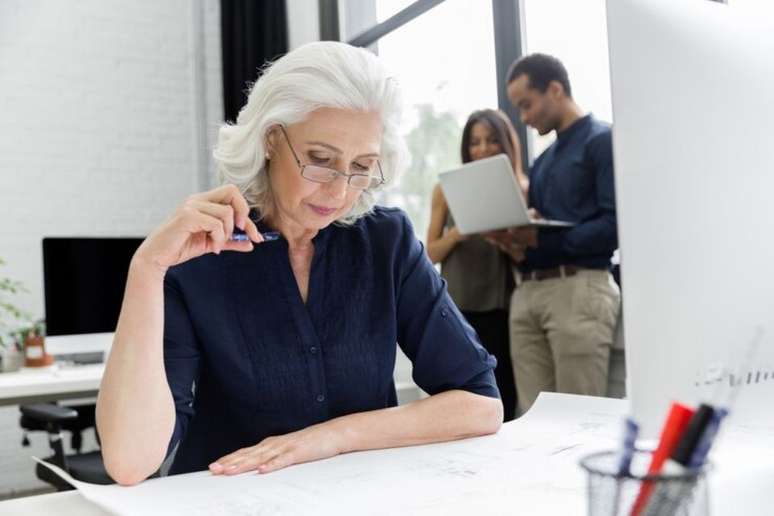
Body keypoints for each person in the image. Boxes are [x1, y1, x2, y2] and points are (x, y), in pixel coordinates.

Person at [95, 41, 503, 486]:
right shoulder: (199, 255)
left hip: (358, 498)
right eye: (321, 161)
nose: (340, 190)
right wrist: (147, 268)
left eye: (363, 165)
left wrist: (332, 437)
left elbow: (480, 404)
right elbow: (130, 462)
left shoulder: (386, 241)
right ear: (271, 140)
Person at [495, 53, 620, 414]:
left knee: (580, 417)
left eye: (527, 105)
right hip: (529, 291)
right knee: (531, 419)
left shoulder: (601, 141)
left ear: (555, 89)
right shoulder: (544, 161)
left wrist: (547, 240)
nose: (524, 117)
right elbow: (540, 231)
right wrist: (515, 240)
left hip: (579, 290)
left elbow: (614, 226)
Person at [426, 109, 526, 421]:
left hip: (502, 307)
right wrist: (458, 233)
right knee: (459, 395)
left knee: (504, 397)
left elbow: (528, 255)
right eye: (475, 142)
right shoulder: (446, 189)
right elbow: (430, 253)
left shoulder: (521, 186)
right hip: (458, 307)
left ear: (507, 144)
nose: (482, 149)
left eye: (492, 141)